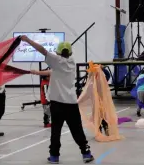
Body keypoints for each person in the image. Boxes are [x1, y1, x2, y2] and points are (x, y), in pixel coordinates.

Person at [21, 36, 94, 164]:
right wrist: (36, 72)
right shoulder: (71, 62)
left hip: (57, 104)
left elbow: (42, 50)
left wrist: (27, 40)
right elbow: (53, 72)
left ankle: (54, 156)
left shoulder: (56, 60)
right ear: (70, 53)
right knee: (77, 130)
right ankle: (86, 153)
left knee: (56, 130)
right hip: (71, 103)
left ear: (57, 52)